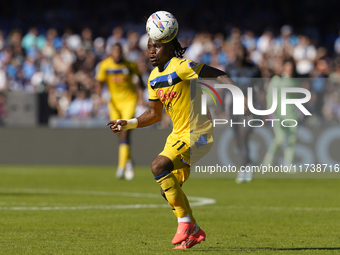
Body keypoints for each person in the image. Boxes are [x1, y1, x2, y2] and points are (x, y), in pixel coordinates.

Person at [106, 34, 250, 249]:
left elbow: (218, 74)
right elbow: (154, 114)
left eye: (156, 46)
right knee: (167, 190)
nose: (151, 51)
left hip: (198, 134)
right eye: (149, 47)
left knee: (158, 165)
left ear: (170, 47)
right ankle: (195, 229)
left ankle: (184, 222)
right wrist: (128, 123)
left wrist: (238, 95)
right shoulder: (153, 77)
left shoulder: (182, 66)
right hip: (177, 136)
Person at [96, 43, 145, 180]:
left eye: (119, 51)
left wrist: (141, 98)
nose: (117, 53)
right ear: (111, 52)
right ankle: (128, 161)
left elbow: (140, 82)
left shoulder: (130, 65)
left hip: (129, 101)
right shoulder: (105, 65)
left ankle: (121, 167)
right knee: (119, 132)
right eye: (114, 51)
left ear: (122, 52)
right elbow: (99, 82)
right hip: (114, 103)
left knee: (125, 130)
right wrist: (99, 96)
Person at [224, 43, 262, 183]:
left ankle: (244, 169)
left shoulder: (254, 69)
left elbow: (260, 89)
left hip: (250, 107)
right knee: (238, 139)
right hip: (234, 106)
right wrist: (222, 107)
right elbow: (224, 87)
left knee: (244, 135)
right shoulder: (230, 67)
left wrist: (262, 109)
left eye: (242, 51)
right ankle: (249, 162)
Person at [262, 58, 298, 167]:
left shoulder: (295, 81)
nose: (289, 69)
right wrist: (270, 113)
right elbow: (269, 97)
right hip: (279, 115)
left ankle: (288, 164)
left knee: (292, 140)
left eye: (291, 68)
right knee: (280, 138)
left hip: (292, 115)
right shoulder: (277, 81)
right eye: (287, 67)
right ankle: (267, 161)